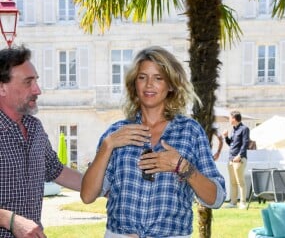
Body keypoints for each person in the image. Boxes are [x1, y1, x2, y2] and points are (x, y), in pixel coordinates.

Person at [81, 46, 226, 238]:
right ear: (134, 84)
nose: (149, 84)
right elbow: (87, 196)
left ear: (171, 85)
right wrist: (107, 146)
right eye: (142, 77)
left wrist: (183, 167)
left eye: (158, 78)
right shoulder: (116, 133)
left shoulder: (190, 131)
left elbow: (216, 199)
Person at [0, 45, 82, 238]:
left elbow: (56, 170)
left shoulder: (35, 128)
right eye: (28, 82)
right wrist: (9, 220)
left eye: (36, 81)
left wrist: (107, 188)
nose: (38, 90)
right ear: (2, 87)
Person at [223, 110, 249, 209]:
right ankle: (233, 203)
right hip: (231, 159)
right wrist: (226, 137)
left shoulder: (244, 129)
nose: (229, 120)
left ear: (234, 118)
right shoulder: (234, 129)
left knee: (240, 181)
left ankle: (242, 203)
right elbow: (232, 144)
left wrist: (240, 155)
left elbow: (245, 143)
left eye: (229, 118)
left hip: (239, 159)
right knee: (232, 182)